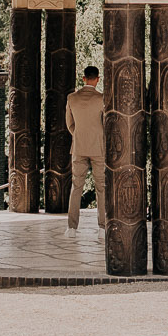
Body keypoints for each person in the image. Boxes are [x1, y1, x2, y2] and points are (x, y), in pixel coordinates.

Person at [65, 63, 107, 234]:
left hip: (79, 146)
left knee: (76, 187)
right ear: (97, 79)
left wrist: (78, 134)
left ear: (83, 78)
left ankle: (72, 228)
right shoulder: (102, 99)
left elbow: (69, 123)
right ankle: (103, 226)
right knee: (101, 187)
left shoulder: (72, 98)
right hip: (98, 147)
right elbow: (106, 123)